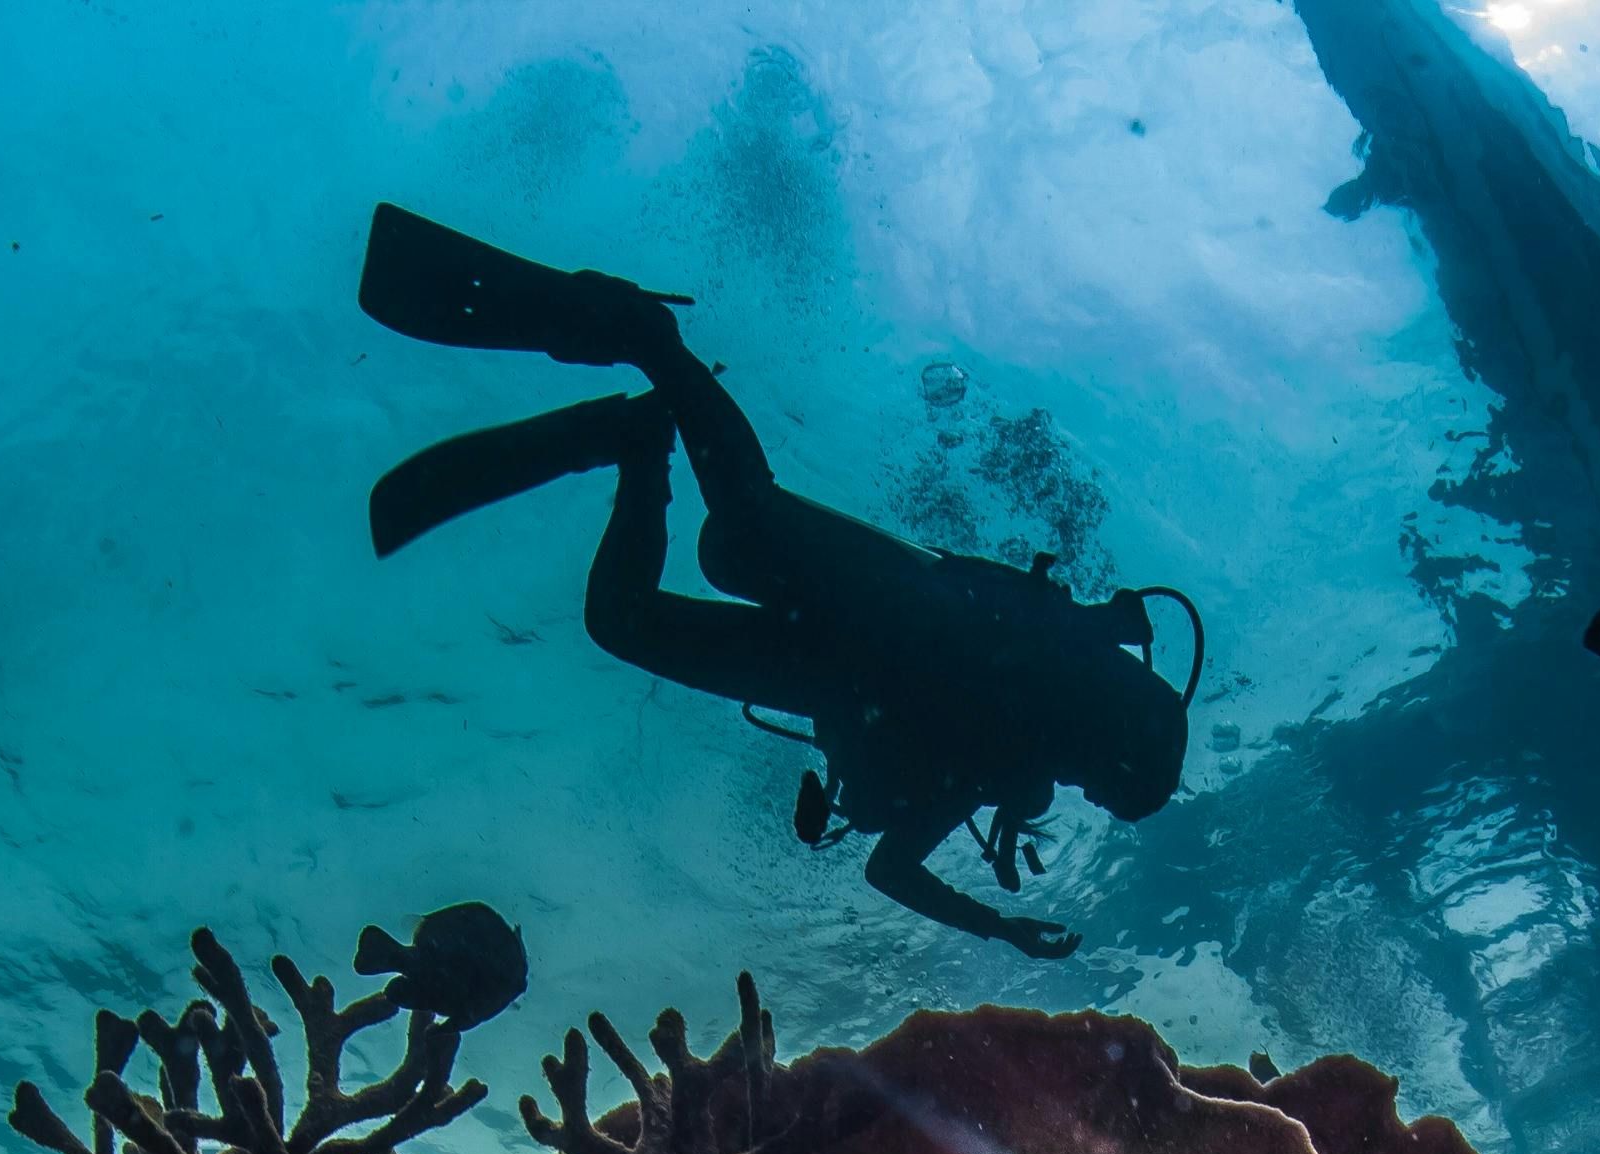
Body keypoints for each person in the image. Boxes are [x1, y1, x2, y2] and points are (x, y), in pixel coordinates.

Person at [360, 205, 1201, 958]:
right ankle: (649, 337)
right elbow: (1062, 629)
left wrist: (999, 927)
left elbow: (887, 869)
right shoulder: (1050, 676)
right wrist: (1097, 625)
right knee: (743, 523)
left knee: (622, 621)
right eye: (1103, 781)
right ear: (1116, 742)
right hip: (896, 602)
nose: (1081, 788)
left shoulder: (1004, 758)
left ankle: (631, 442)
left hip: (820, 674)